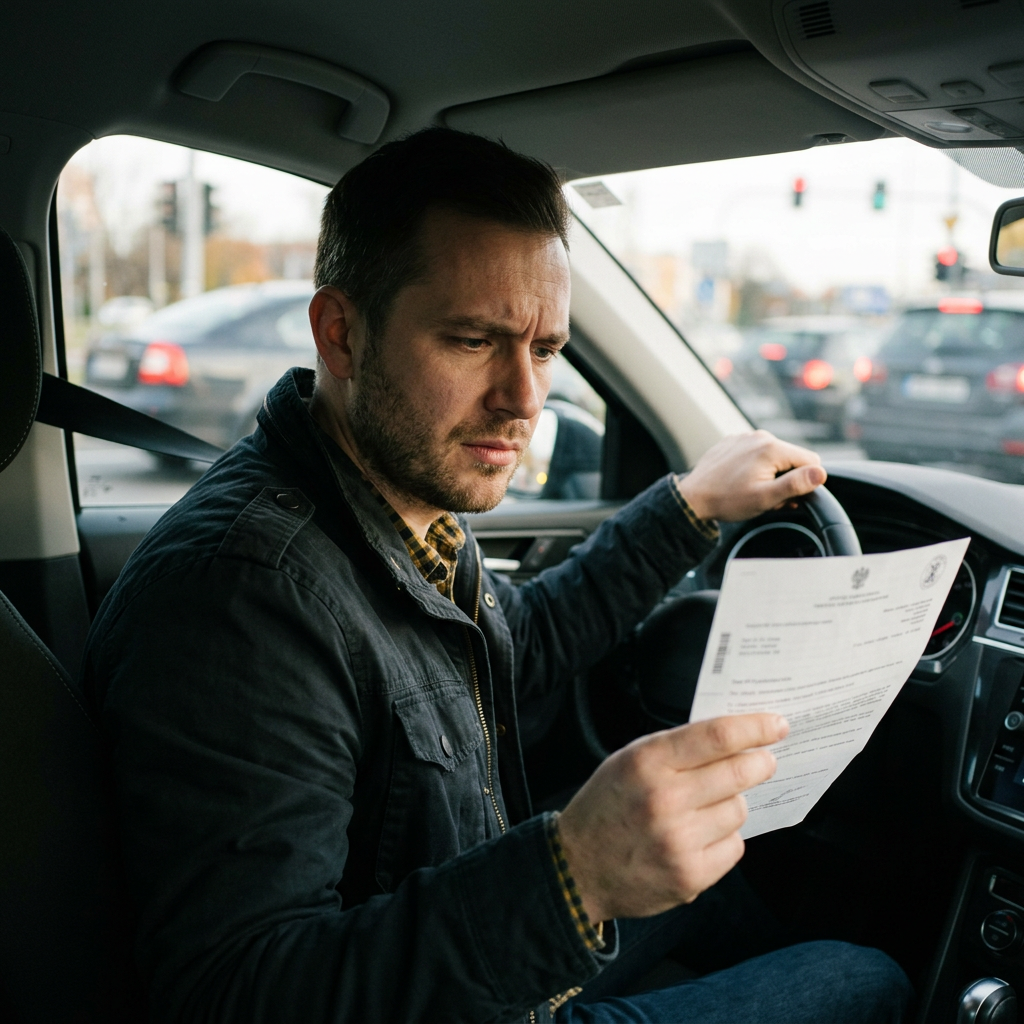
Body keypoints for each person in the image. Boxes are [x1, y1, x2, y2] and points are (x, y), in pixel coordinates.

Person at [82, 127, 913, 1024]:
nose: (524, 399)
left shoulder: (398, 503)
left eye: (546, 349)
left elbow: (521, 640)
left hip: (467, 957)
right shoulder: (248, 599)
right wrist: (571, 880)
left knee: (717, 880)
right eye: (474, 340)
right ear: (342, 335)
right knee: (865, 977)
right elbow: (236, 993)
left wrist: (689, 506)